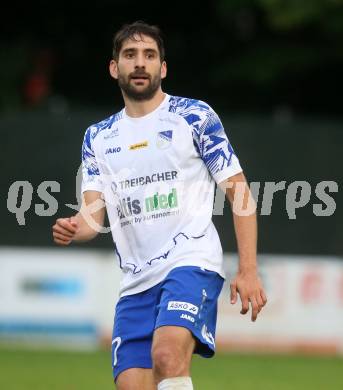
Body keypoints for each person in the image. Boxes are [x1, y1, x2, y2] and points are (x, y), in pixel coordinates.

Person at [52, 21, 267, 390]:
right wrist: (76, 226)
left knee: (167, 355)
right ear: (114, 67)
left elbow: (240, 193)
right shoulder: (98, 137)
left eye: (149, 55)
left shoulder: (194, 117)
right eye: (130, 55)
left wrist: (248, 269)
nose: (140, 63)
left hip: (191, 261)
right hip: (136, 281)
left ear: (162, 68)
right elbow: (92, 216)